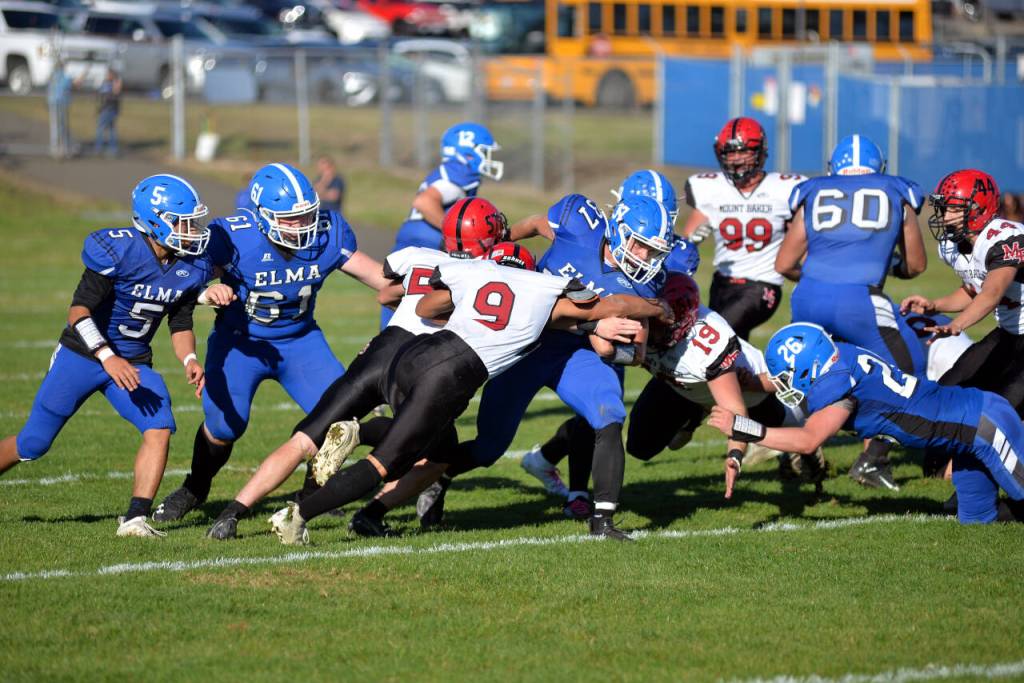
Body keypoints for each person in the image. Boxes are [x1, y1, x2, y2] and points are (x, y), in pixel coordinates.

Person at [267, 245, 672, 545]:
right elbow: (612, 304)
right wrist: (656, 308)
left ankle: (357, 431)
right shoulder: (549, 287)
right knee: (387, 462)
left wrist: (472, 315)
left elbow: (426, 306)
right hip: (451, 374)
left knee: (428, 446)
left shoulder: (474, 271)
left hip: (416, 355)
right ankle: (297, 516)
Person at [202, 196, 509, 539]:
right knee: (437, 454)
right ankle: (369, 511)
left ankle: (231, 514)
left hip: (380, 350)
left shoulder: (421, 255)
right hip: (422, 360)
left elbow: (384, 295)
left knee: (306, 438)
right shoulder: (490, 275)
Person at [152, 163, 390, 523]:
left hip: (300, 340)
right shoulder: (232, 236)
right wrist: (207, 290)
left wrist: (425, 284)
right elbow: (187, 281)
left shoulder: (329, 232)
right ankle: (195, 488)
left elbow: (379, 278)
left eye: (305, 215)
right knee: (224, 427)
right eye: (289, 219)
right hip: (240, 344)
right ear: (262, 215)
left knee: (341, 417)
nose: (301, 226)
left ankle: (312, 492)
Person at [0, 174, 225, 537]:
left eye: (192, 222)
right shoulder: (118, 249)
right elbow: (78, 312)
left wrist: (190, 360)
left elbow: (180, 322)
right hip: (84, 355)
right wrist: (107, 356)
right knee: (33, 443)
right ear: (154, 221)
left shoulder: (191, 266)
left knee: (160, 426)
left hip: (134, 362)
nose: (192, 230)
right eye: (182, 222)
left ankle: (135, 519)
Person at [708, 323, 1024, 524]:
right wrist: (746, 382)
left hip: (983, 426)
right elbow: (790, 378)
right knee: (980, 521)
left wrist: (742, 427)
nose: (783, 384)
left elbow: (808, 440)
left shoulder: (839, 390)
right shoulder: (838, 356)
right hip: (962, 438)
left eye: (786, 378)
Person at [775, 133, 927, 491]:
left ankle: (795, 447)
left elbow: (784, 263)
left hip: (808, 295)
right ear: (880, 168)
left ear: (834, 168)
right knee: (910, 371)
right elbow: (917, 265)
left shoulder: (814, 191)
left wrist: (821, 276)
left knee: (808, 377)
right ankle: (874, 459)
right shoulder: (896, 190)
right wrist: (882, 269)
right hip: (860, 300)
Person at [902, 169, 1024, 417]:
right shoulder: (953, 246)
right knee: (949, 388)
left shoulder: (1005, 237)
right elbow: (973, 289)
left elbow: (992, 293)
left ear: (979, 208)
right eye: (944, 207)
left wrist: (956, 325)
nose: (945, 216)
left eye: (954, 209)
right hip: (1010, 333)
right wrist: (934, 305)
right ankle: (940, 455)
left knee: (1000, 413)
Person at [682, 117, 805, 340]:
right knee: (732, 357)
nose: (736, 159)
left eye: (743, 151)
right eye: (729, 153)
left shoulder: (784, 188)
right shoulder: (711, 188)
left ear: (760, 151)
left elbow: (803, 238)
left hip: (762, 285)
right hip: (722, 284)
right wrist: (692, 240)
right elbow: (686, 242)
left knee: (711, 338)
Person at [380, 121, 502, 328]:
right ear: (467, 153)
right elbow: (425, 201)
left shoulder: (449, 170)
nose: (488, 157)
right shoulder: (461, 170)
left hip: (412, 245)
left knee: (399, 322)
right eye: (484, 151)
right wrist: (455, 231)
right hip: (426, 247)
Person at [47, 59, 73, 158]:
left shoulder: (52, 76)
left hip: (54, 103)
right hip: (60, 103)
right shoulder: (62, 76)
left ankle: (56, 148)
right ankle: (62, 149)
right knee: (61, 126)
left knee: (55, 126)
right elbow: (69, 85)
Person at [94, 68, 122, 158]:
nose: (106, 76)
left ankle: (99, 148)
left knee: (102, 128)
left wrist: (116, 81)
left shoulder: (113, 84)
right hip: (106, 109)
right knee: (111, 129)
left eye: (108, 74)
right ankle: (112, 148)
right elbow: (101, 96)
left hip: (109, 109)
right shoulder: (106, 84)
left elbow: (115, 94)